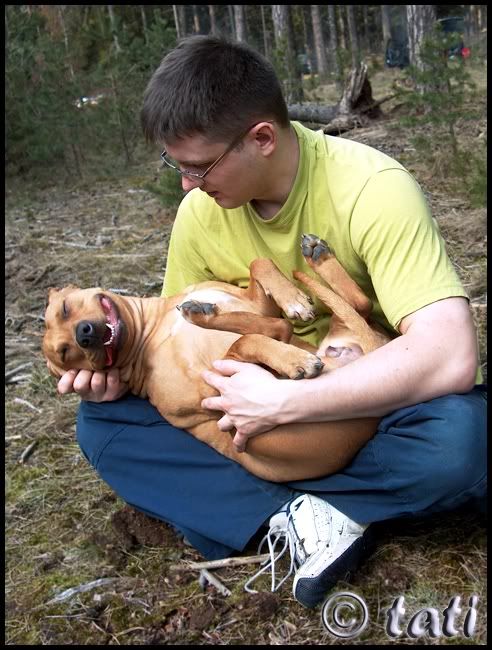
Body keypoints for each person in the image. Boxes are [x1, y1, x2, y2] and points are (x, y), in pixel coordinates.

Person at [58, 35, 486, 609]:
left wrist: (289, 403)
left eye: (198, 167)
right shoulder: (198, 215)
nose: (186, 183)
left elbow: (450, 354)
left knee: (463, 439)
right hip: (253, 424)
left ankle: (266, 512)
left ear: (261, 138)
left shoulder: (371, 188)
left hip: (371, 405)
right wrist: (118, 376)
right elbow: (174, 352)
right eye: (175, 165)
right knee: (103, 427)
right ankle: (314, 515)